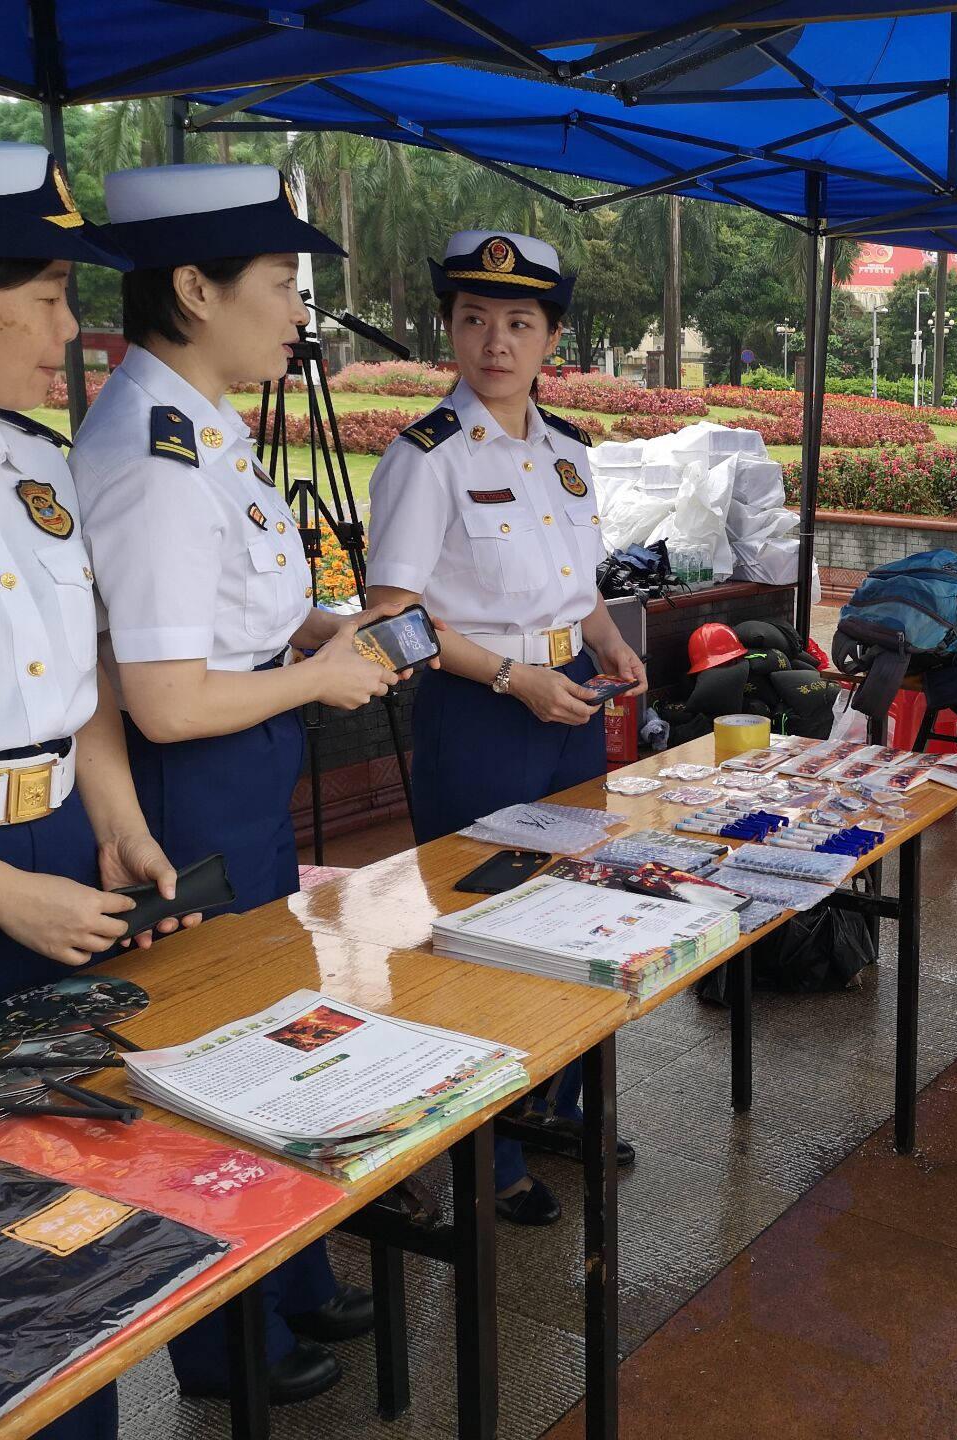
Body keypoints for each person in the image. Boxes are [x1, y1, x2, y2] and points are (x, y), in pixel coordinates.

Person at [72, 163, 406, 1406]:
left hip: (240, 759)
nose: (296, 314)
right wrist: (315, 681)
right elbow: (162, 695)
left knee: (267, 1033)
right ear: (195, 288)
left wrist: (320, 630)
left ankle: (289, 1277)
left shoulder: (206, 425)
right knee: (209, 1052)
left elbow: (226, 621)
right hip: (188, 781)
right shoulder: (154, 455)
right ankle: (227, 1342)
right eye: (280, 285)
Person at [0, 136, 199, 1440]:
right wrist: (5, 898)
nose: (74, 329)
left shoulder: (33, 463)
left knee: (77, 1202)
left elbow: (82, 692)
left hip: (58, 867)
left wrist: (117, 827)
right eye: (49, 298)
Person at [365, 230, 648, 1225]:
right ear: (451, 329)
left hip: (567, 694)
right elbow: (392, 622)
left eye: (519, 323)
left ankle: (552, 1104)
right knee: (479, 931)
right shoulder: (425, 457)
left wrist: (608, 643)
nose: (496, 341)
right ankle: (483, 1157)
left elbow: (582, 589)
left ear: (550, 338)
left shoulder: (567, 453)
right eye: (474, 319)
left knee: (574, 906)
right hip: (480, 709)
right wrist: (515, 678)